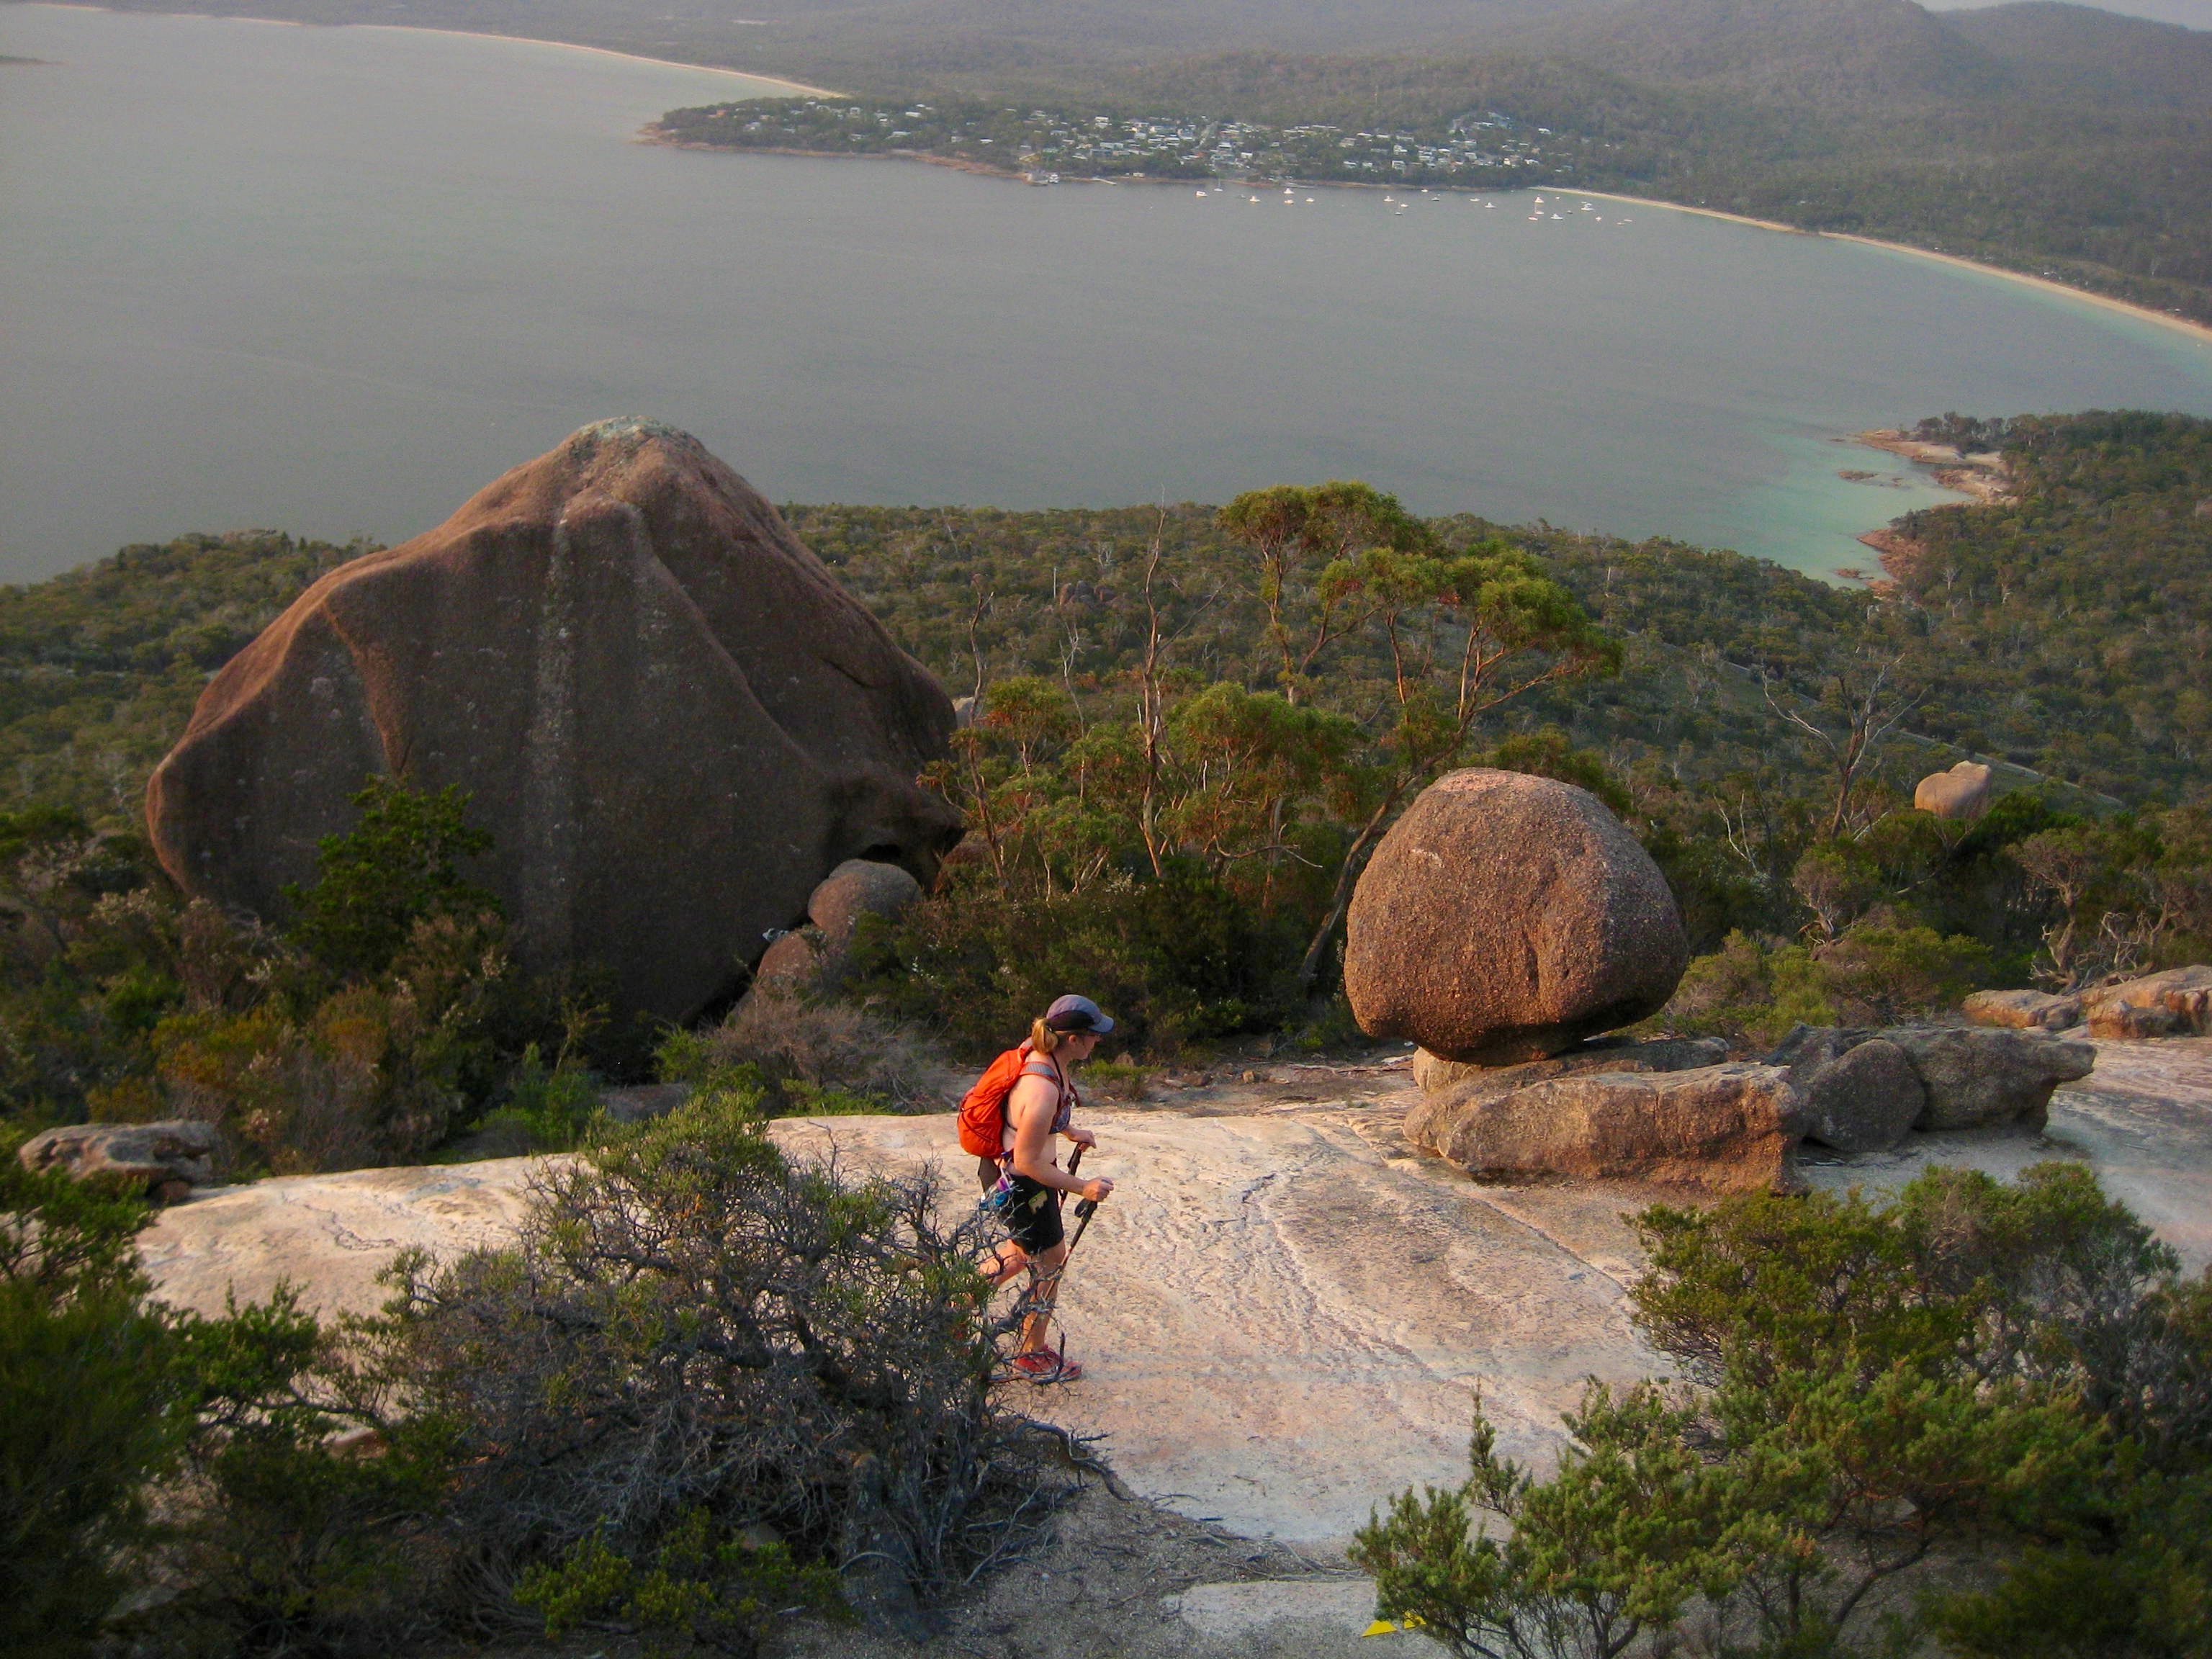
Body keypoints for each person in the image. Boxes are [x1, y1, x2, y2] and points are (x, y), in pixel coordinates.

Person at [979, 993, 1116, 1384]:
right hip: (1022, 1183)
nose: (1098, 1041)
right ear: (1073, 1039)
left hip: (1014, 1176)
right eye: (1093, 1035)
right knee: (1051, 1258)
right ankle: (1030, 1356)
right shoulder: (1042, 1088)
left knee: (1022, 1253)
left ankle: (953, 1303)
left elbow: (1028, 1124)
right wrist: (1083, 1187)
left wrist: (1069, 1130)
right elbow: (1027, 1162)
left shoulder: (1048, 1058)